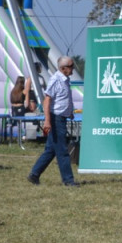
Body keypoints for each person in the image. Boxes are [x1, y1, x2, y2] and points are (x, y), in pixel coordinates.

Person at [27, 56, 80, 187]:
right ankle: (68, 180)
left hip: (61, 117)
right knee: (62, 150)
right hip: (56, 119)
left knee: (50, 150)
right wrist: (47, 121)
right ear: (63, 68)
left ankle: (34, 174)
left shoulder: (65, 80)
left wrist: (70, 112)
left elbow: (64, 98)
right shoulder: (56, 80)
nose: (73, 68)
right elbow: (47, 101)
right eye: (71, 66)